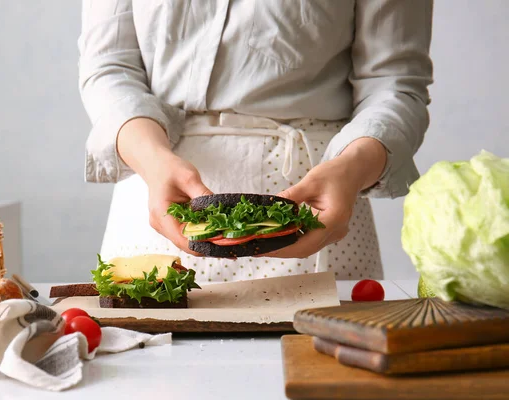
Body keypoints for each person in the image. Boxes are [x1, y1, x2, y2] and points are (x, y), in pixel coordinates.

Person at [78, 0, 433, 282]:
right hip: (158, 203)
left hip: (316, 214)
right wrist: (153, 161)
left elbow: (395, 85)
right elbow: (109, 67)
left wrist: (352, 169)